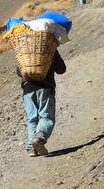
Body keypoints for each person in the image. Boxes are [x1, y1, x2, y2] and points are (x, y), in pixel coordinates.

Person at [5, 13, 70, 157]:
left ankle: (31, 149)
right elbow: (62, 69)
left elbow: (19, 71)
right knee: (46, 117)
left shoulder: (25, 48)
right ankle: (39, 138)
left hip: (27, 88)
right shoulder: (50, 48)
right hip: (45, 86)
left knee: (32, 118)